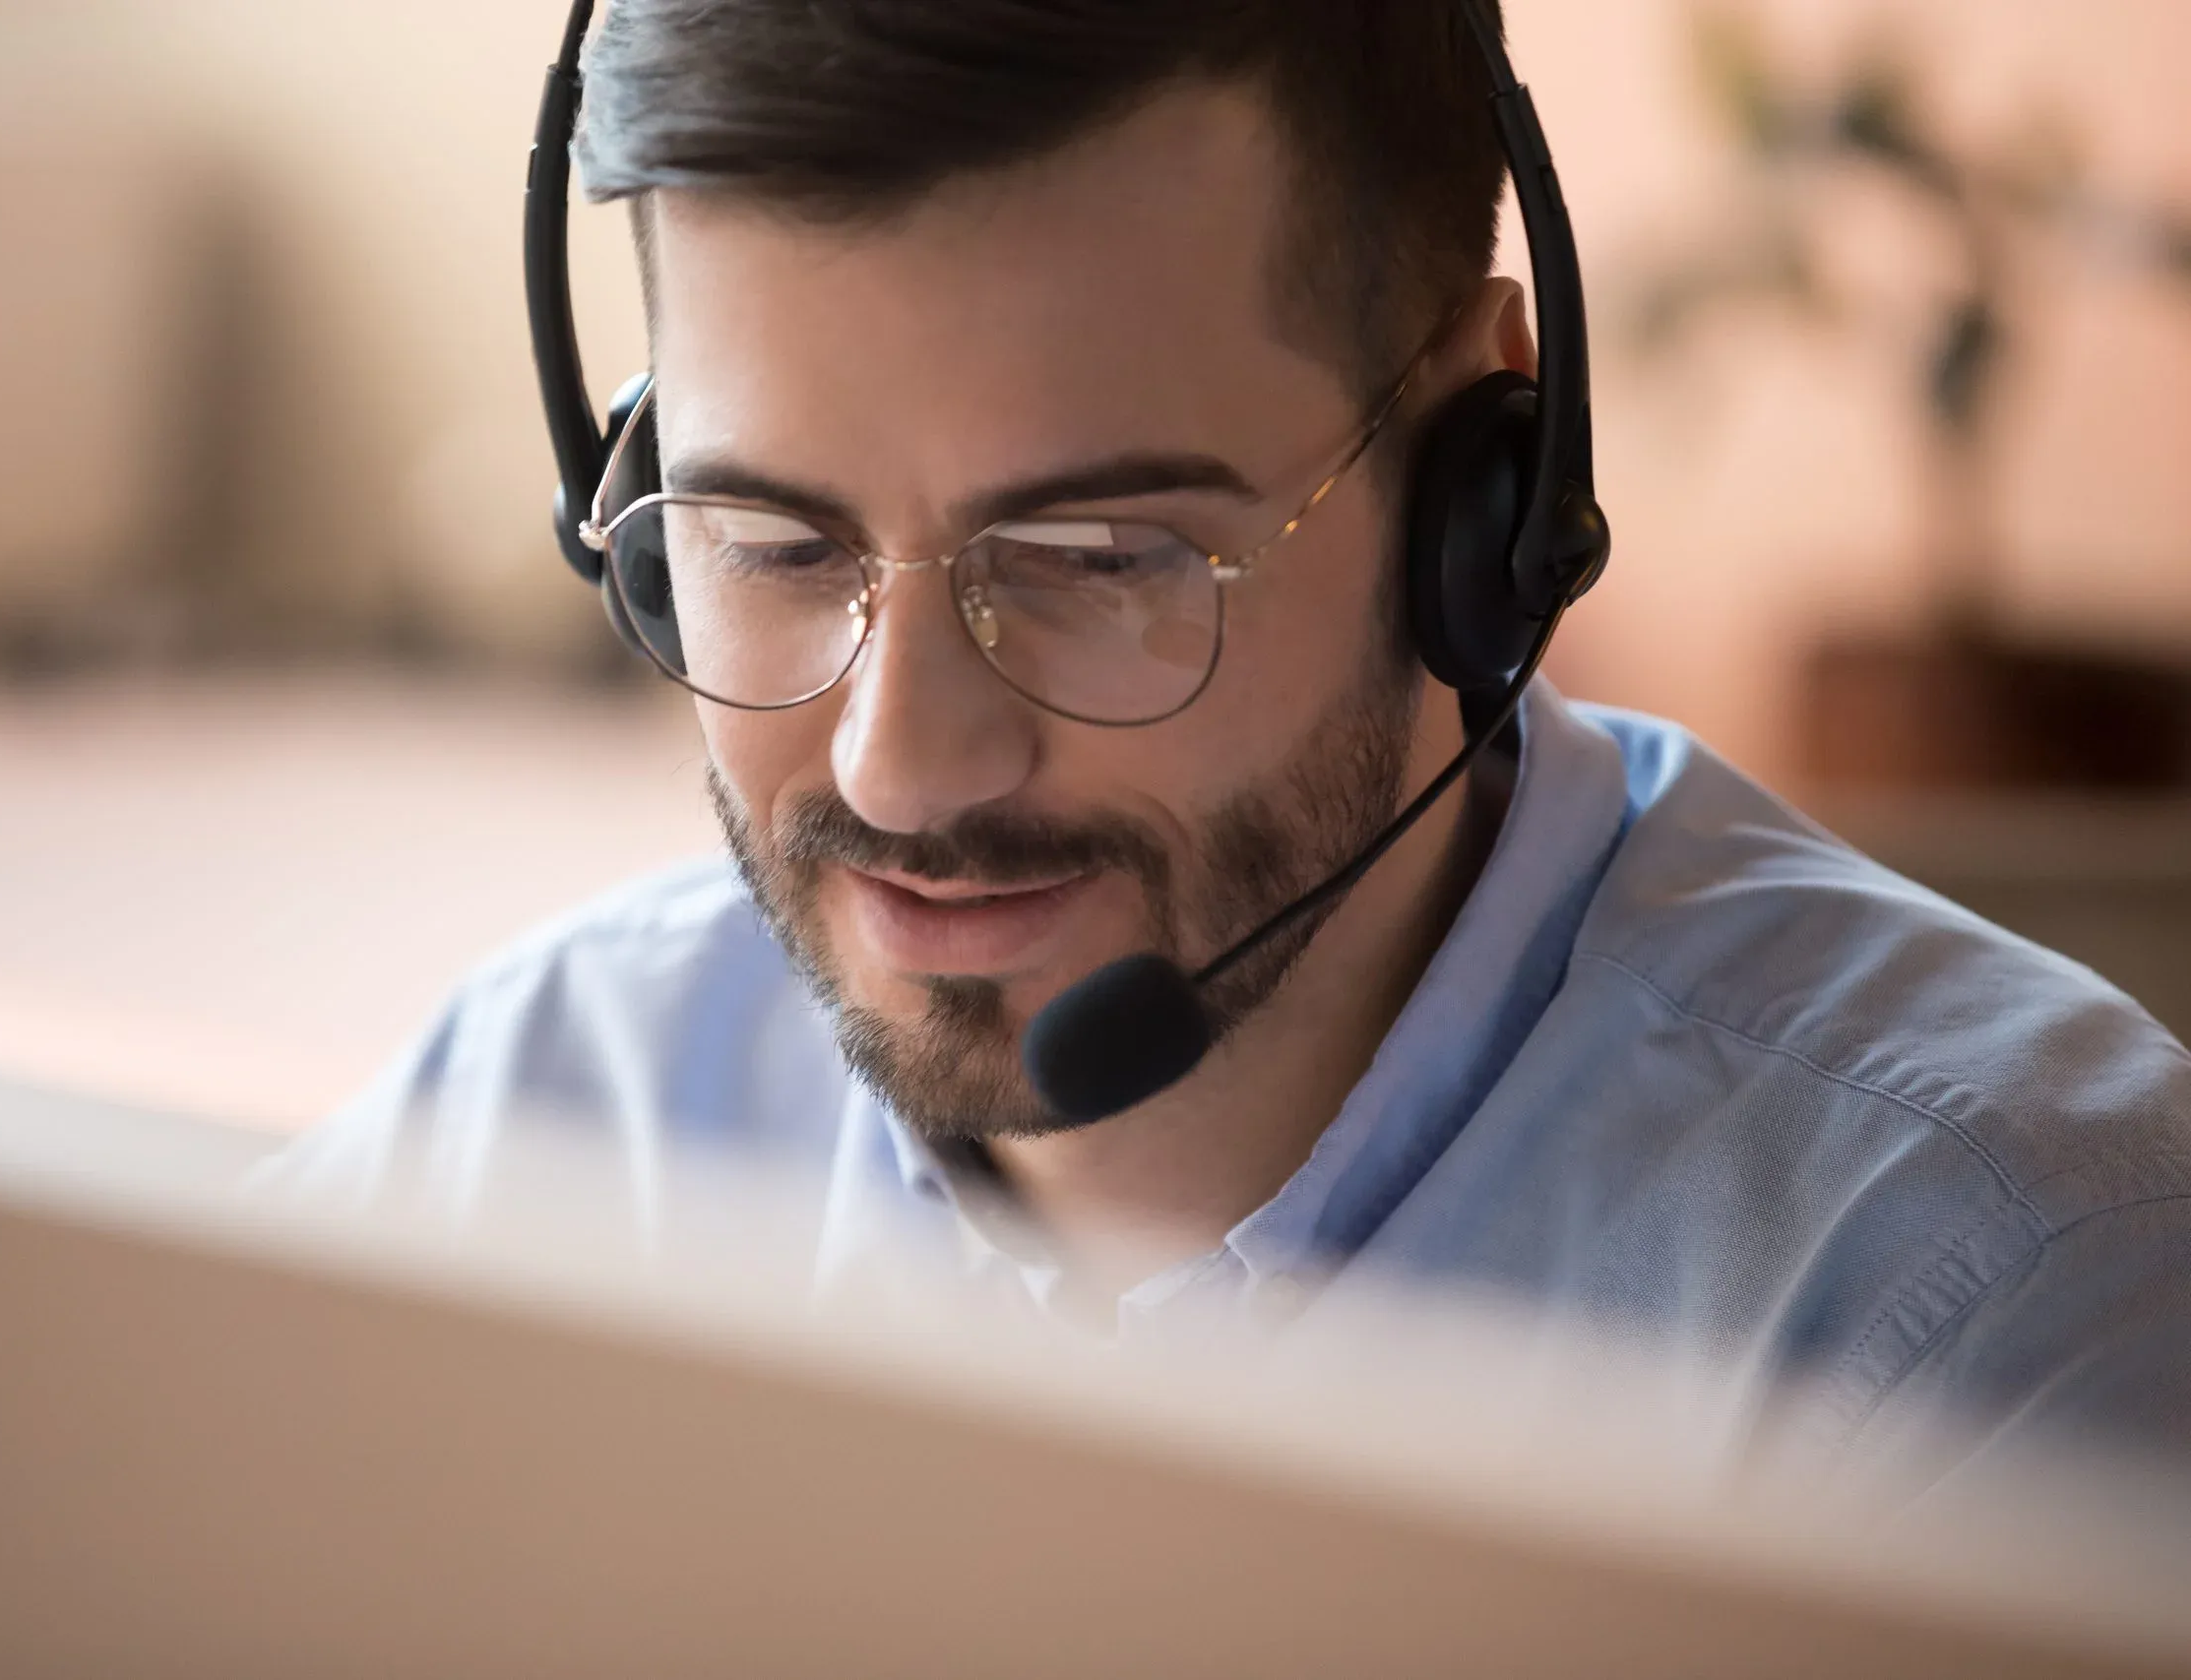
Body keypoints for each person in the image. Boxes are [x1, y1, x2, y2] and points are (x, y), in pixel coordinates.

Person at [267, 0, 2191, 1473]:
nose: (893, 769)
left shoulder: (1991, 1311)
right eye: (767, 541)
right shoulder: (532, 1123)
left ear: (1480, 496)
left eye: (1098, 558)